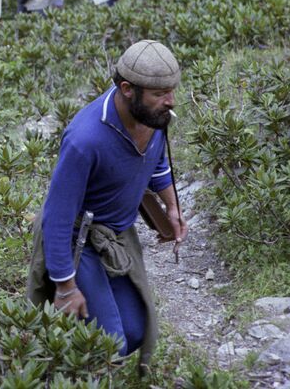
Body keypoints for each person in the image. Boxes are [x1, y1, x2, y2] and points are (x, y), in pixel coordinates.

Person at [27, 40, 187, 370]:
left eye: (171, 90)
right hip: (78, 240)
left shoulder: (155, 119)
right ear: (128, 89)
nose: (169, 102)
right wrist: (66, 287)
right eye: (159, 93)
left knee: (134, 330)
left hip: (116, 237)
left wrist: (171, 208)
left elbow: (157, 166)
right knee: (108, 341)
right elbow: (56, 218)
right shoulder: (85, 139)